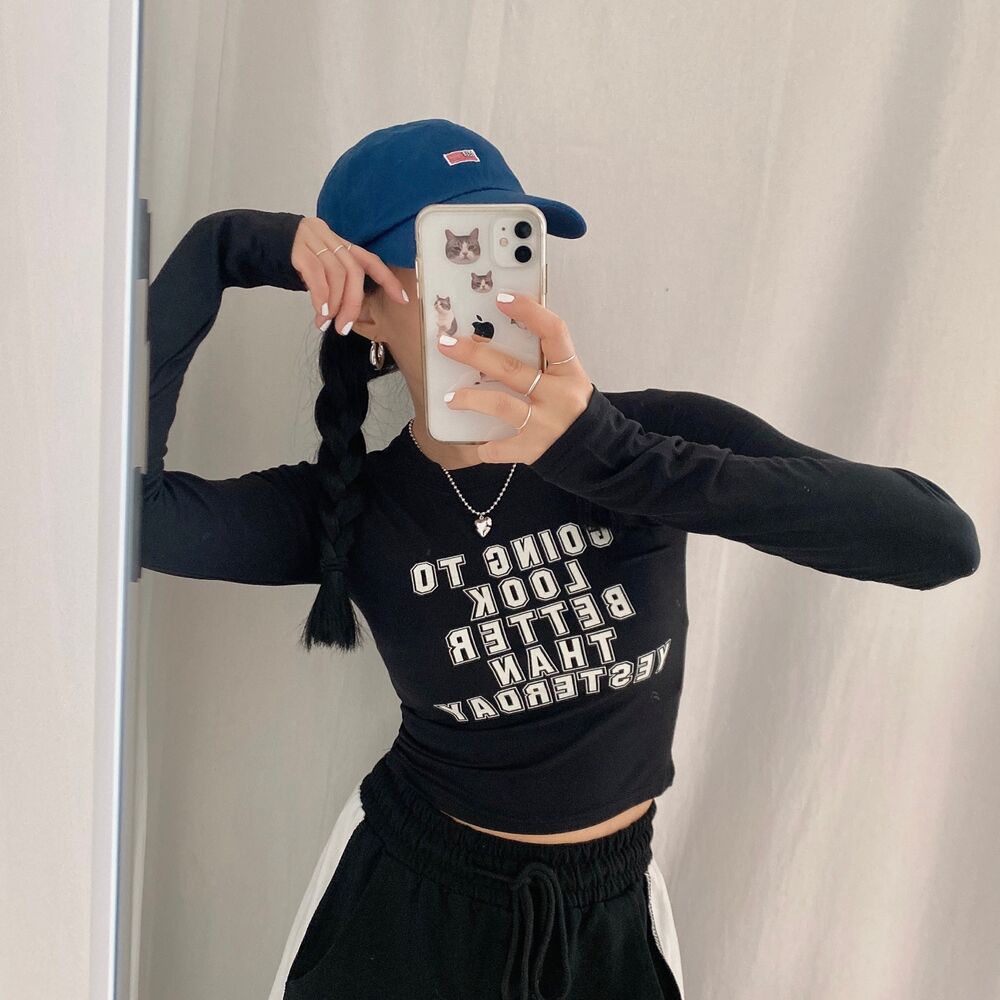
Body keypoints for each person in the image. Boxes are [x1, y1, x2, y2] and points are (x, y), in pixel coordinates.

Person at [141, 118, 980, 1000]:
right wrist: (227, 249)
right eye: (454, 259)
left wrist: (608, 457)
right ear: (365, 304)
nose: (495, 294)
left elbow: (937, 542)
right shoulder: (355, 503)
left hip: (606, 922)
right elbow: (138, 516)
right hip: (406, 912)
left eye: (513, 252)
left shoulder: (647, 444)